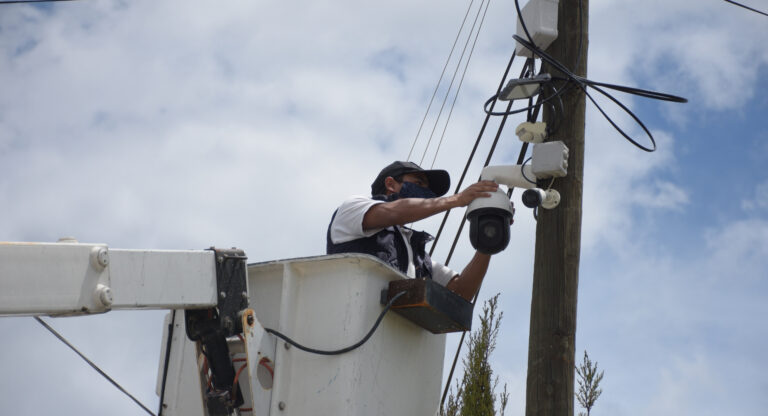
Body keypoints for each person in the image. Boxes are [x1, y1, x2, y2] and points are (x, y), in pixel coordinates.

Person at [326, 161, 506, 301]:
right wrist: (457, 199)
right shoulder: (353, 207)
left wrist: (489, 234)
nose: (425, 192)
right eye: (419, 183)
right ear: (390, 184)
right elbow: (393, 211)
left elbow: (461, 292)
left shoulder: (418, 259)